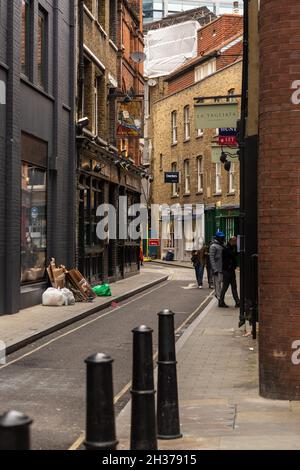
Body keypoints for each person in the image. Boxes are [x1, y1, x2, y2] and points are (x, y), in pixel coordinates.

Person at [219, 236, 240, 308]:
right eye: (235, 241)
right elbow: (233, 254)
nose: (236, 242)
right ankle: (221, 302)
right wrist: (237, 247)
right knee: (225, 287)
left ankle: (237, 302)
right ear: (231, 241)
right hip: (227, 271)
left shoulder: (231, 248)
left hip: (231, 270)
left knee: (234, 287)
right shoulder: (226, 248)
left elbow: (235, 254)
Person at [209, 230, 225, 302]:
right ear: (217, 238)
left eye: (223, 237)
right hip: (217, 269)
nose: (223, 239)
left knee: (221, 283)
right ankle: (219, 299)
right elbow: (211, 258)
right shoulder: (213, 246)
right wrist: (214, 269)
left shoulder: (222, 245)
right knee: (218, 284)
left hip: (223, 268)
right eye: (221, 237)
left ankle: (219, 296)